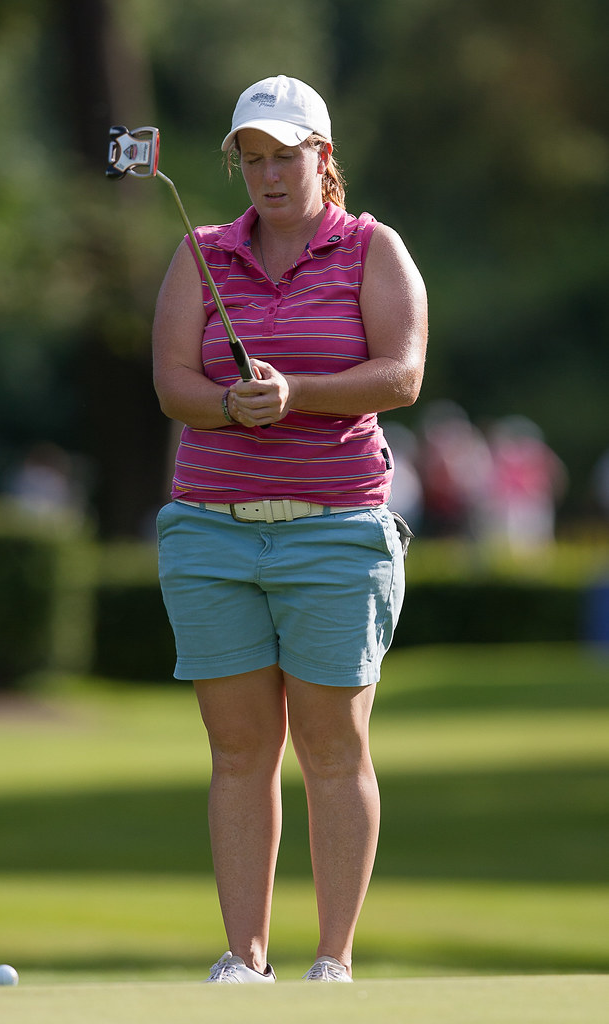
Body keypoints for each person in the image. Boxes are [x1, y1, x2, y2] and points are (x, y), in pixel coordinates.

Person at [152, 75, 428, 983]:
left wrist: (296, 394)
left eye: (285, 156)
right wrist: (234, 403)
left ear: (323, 155)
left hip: (335, 530)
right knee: (237, 752)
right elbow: (171, 389)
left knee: (331, 745)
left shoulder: (369, 249)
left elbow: (400, 375)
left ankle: (334, 960)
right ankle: (244, 957)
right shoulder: (200, 252)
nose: (268, 176)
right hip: (211, 532)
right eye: (252, 159)